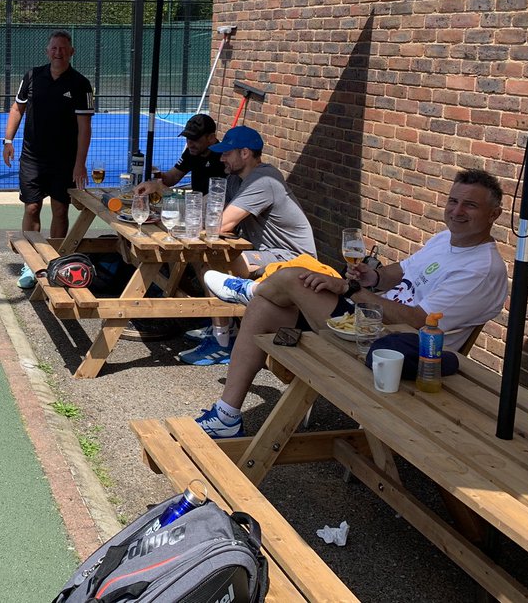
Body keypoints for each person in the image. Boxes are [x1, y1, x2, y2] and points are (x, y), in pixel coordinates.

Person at [195, 168, 508, 439]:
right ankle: (226, 416)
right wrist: (370, 276)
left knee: (291, 279)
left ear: (493, 214)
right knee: (268, 305)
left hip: (393, 348)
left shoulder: (481, 269)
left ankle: (253, 289)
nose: (457, 211)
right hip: (368, 322)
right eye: (453, 201)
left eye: (470, 205)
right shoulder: (444, 240)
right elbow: (394, 274)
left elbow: (417, 321)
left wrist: (351, 287)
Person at [181, 125, 318, 366]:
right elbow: (208, 204)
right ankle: (223, 327)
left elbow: (221, 224)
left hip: (292, 259)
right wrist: (172, 199)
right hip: (266, 252)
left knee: (215, 266)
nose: (221, 157)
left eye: (226, 153)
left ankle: (222, 341)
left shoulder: (263, 180)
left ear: (245, 153)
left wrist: (191, 217)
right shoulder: (236, 178)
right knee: (199, 257)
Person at [3, 30, 94, 289]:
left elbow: (85, 127)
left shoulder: (80, 84)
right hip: (31, 157)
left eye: (63, 48)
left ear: (72, 52)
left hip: (64, 161)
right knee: (31, 208)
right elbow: (17, 109)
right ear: (47, 51)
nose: (58, 52)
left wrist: (80, 163)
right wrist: (8, 141)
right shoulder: (32, 76)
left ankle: (56, 261)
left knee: (60, 209)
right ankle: (31, 262)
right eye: (54, 48)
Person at [134, 113, 227, 198]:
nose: (190, 144)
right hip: (195, 205)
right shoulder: (192, 152)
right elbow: (173, 177)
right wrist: (155, 173)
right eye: (187, 138)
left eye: (195, 139)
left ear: (211, 138)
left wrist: (161, 188)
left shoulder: (224, 158)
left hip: (209, 207)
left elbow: (214, 200)